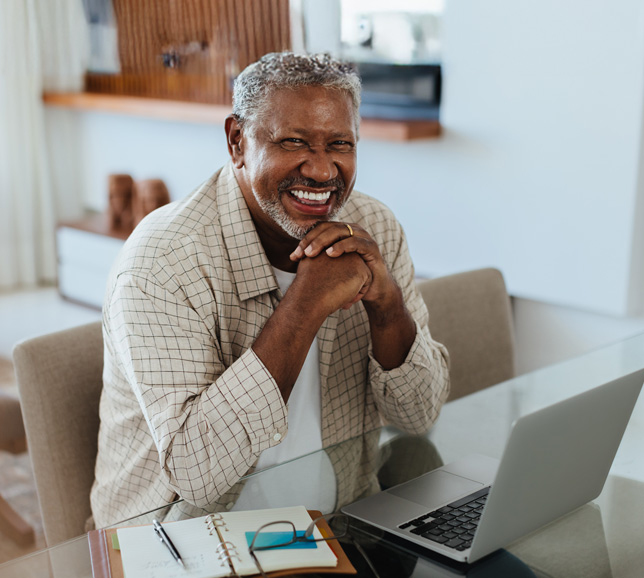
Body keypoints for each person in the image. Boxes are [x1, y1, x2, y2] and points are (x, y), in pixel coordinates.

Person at [90, 52, 450, 529]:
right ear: (237, 141)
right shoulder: (162, 263)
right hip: (182, 541)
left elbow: (418, 415)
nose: (322, 172)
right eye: (294, 141)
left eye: (339, 144)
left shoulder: (373, 227)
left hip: (339, 526)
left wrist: (388, 308)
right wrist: (305, 303)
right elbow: (198, 473)